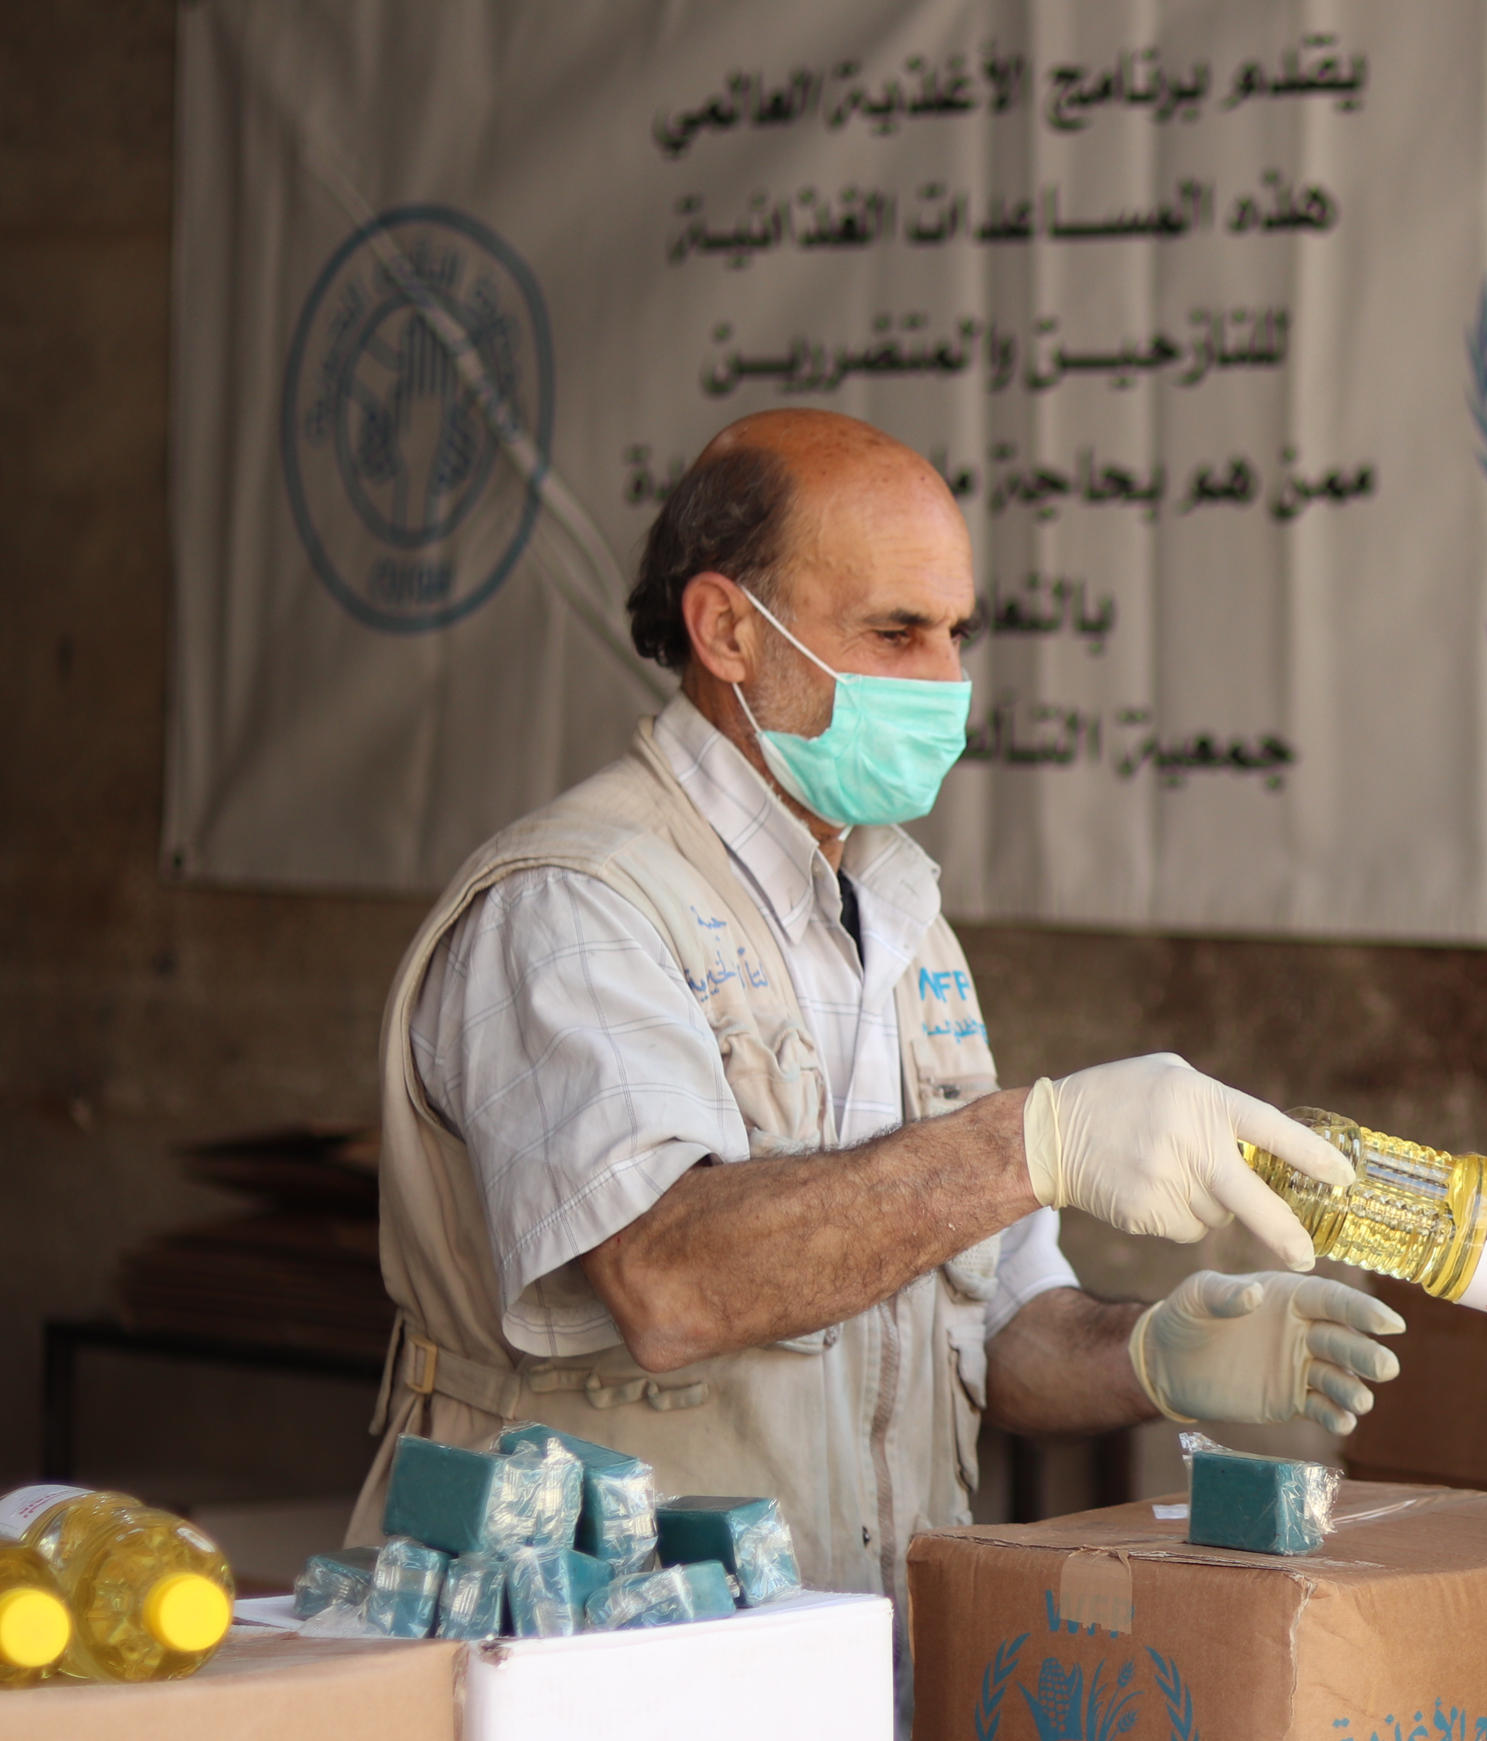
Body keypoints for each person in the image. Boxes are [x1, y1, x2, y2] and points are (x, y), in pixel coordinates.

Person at [347, 408, 1404, 1649]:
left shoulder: (899, 921)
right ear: (728, 628)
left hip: (844, 1679)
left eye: (957, 633)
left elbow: (995, 1328)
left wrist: (1152, 1351)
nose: (945, 683)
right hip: (599, 1683)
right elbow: (668, 1280)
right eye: (896, 632)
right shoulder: (580, 906)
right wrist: (1026, 1144)